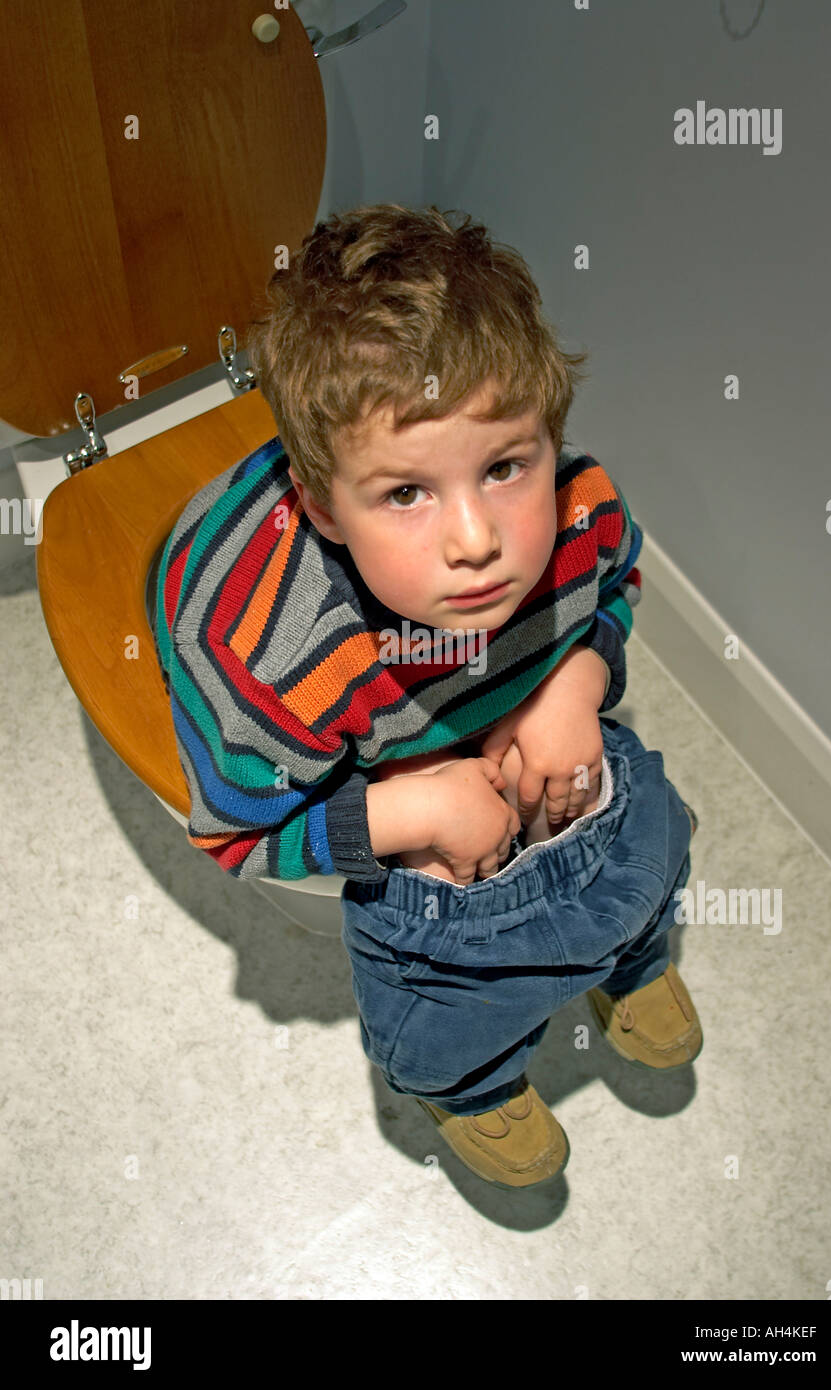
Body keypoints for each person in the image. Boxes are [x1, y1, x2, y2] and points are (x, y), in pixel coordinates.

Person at [153, 203, 702, 1192]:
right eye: (405, 492)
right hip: (357, 757)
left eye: (503, 466)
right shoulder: (275, 655)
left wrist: (572, 682)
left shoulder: (577, 511)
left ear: (546, 436)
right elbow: (237, 836)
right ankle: (472, 1080)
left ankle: (624, 953)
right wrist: (409, 805)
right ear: (324, 506)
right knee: (442, 995)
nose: (476, 540)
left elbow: (611, 581)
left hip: (504, 717)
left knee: (633, 818)